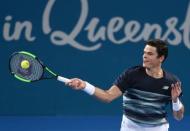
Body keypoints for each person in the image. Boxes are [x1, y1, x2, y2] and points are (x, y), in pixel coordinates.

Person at [66, 39, 184, 131]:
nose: (144, 56)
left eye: (150, 54)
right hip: (130, 127)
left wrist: (175, 101)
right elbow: (108, 97)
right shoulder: (132, 75)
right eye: (144, 53)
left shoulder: (171, 82)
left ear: (161, 58)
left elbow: (179, 117)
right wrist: (84, 85)